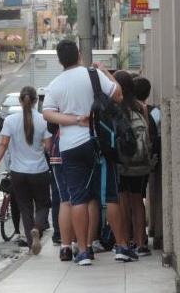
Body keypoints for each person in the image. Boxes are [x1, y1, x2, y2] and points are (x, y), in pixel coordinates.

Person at [42, 39, 133, 265]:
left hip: (70, 148)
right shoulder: (92, 75)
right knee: (110, 195)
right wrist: (107, 73)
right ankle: (121, 246)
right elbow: (118, 96)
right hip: (98, 143)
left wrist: (73, 120)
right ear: (79, 54)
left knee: (77, 199)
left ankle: (83, 252)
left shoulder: (55, 85)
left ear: (60, 60)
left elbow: (47, 114)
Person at [0, 86, 52, 255]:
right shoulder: (43, 120)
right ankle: (37, 228)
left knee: (25, 208)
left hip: (18, 173)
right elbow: (48, 146)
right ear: (36, 101)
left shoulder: (10, 121)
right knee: (43, 204)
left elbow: (2, 145)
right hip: (39, 171)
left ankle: (31, 245)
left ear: (20, 101)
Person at [114, 70, 150, 259]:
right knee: (138, 201)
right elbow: (148, 137)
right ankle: (141, 242)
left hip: (122, 163)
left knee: (122, 201)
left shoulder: (115, 108)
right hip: (141, 163)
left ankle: (125, 241)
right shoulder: (140, 107)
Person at [132, 76, 158, 256]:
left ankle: (131, 240)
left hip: (127, 163)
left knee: (128, 200)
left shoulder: (128, 111)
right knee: (139, 199)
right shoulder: (154, 112)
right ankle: (141, 241)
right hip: (146, 162)